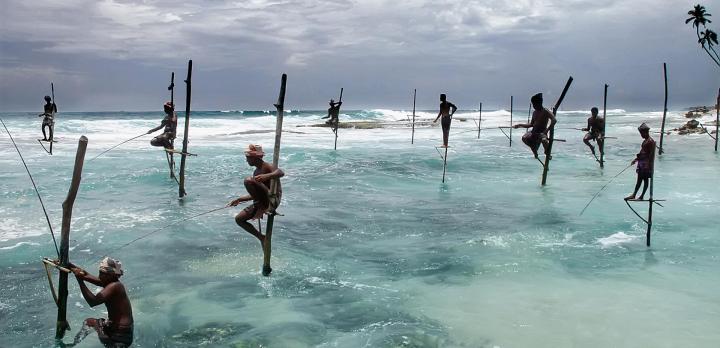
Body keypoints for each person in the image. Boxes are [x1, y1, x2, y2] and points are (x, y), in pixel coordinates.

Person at [228, 144, 285, 246]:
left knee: (248, 180)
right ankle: (261, 237)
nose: (247, 160)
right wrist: (239, 199)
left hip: (272, 200)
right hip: (262, 201)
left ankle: (262, 207)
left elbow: (281, 172)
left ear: (255, 157)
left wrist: (267, 175)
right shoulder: (256, 171)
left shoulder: (267, 166)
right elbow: (256, 195)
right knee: (239, 219)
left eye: (248, 158)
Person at [70, 257, 134, 347]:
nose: (100, 276)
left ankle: (73, 345)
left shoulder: (115, 286)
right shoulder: (111, 281)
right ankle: (74, 344)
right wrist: (68, 265)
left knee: (89, 323)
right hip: (122, 333)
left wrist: (80, 280)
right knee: (89, 322)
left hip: (119, 335)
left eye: (102, 274)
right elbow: (86, 275)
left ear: (111, 275)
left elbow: (92, 302)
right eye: (100, 273)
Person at [513, 93, 557, 159]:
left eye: (534, 104)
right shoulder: (534, 112)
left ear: (539, 103)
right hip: (534, 132)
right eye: (533, 104)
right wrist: (519, 125)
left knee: (544, 140)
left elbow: (554, 120)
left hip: (542, 132)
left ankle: (547, 153)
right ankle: (535, 151)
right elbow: (531, 124)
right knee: (524, 138)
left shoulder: (545, 111)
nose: (533, 106)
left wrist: (546, 130)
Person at [625, 123, 656, 201]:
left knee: (645, 180)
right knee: (639, 179)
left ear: (646, 132)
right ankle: (634, 194)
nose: (641, 135)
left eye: (642, 133)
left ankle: (642, 196)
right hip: (641, 163)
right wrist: (636, 159)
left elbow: (651, 155)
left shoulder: (651, 141)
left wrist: (648, 165)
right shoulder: (645, 141)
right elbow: (642, 152)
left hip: (646, 164)